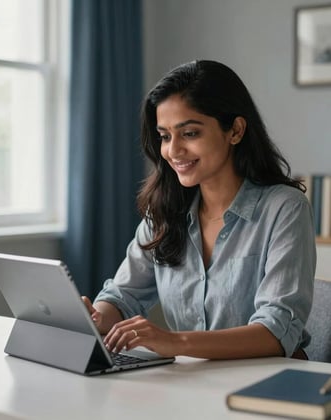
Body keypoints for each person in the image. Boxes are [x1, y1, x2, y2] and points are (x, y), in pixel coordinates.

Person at [82, 60, 316, 360]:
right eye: (165, 136)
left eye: (190, 133)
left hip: (268, 383)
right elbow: (123, 295)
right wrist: (98, 317)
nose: (173, 150)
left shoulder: (284, 209)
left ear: (235, 130)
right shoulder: (164, 212)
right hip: (193, 382)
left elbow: (275, 331)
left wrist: (174, 342)